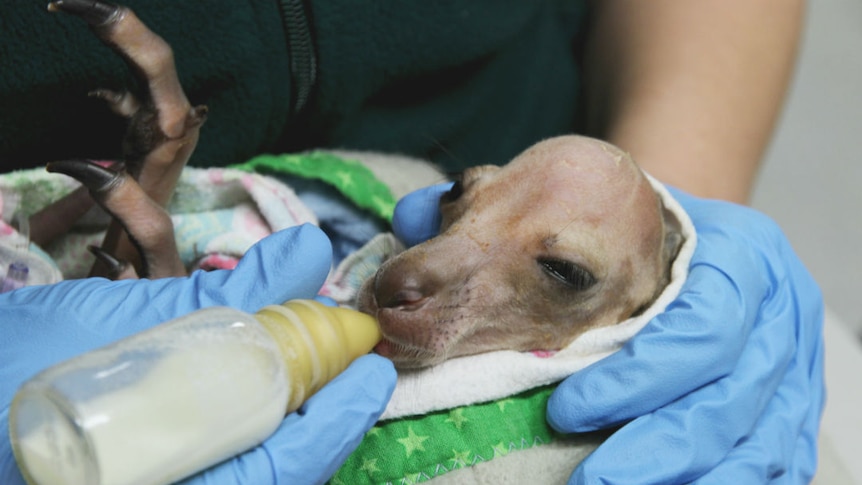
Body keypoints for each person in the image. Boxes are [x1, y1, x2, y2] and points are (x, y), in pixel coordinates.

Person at [0, 1, 824, 483]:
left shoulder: (644, 293)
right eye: (468, 202)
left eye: (561, 268)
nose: (410, 275)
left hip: (527, 105)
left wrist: (662, 219)